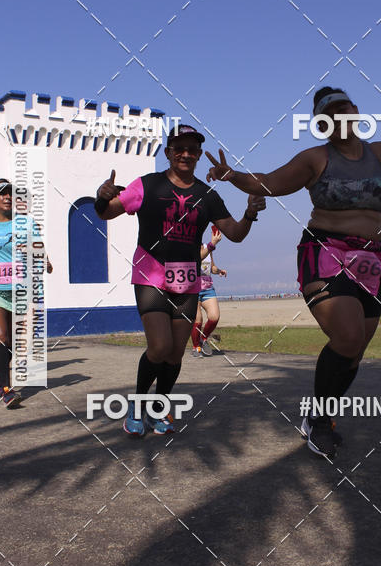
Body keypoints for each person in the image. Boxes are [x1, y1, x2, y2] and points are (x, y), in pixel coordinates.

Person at [206, 86, 381, 459]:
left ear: (356, 111)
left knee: (353, 353)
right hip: (325, 252)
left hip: (370, 259)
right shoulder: (315, 159)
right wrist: (232, 175)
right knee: (346, 338)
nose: (338, 116)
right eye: (329, 114)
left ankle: (318, 414)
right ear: (322, 125)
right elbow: (267, 181)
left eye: (343, 108)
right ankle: (319, 424)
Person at [94, 124, 265, 438]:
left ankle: (158, 410)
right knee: (158, 346)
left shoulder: (207, 195)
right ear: (168, 153)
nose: (185, 154)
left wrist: (251, 213)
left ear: (199, 155)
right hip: (150, 274)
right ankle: (137, 405)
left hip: (187, 280)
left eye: (192, 149)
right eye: (179, 148)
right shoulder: (147, 186)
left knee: (175, 353)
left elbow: (236, 235)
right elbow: (106, 213)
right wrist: (101, 198)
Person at [0, 179, 53, 408]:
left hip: (19, 290)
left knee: (11, 341)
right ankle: (6, 387)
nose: (7, 197)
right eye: (2, 194)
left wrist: (45, 261)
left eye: (11, 194)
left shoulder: (26, 223)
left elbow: (38, 247)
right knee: (0, 334)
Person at [191, 228, 227, 357]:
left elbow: (211, 267)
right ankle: (196, 348)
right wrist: (213, 244)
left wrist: (219, 271)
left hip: (207, 288)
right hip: (192, 289)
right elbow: (198, 258)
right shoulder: (189, 248)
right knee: (198, 320)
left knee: (214, 317)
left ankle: (203, 339)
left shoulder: (207, 247)